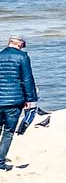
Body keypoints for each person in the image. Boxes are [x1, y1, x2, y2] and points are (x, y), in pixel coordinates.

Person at [0, 35, 38, 171]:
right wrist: (31, 99)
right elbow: (27, 79)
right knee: (8, 132)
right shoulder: (22, 57)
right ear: (20, 44)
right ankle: (0, 162)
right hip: (14, 101)